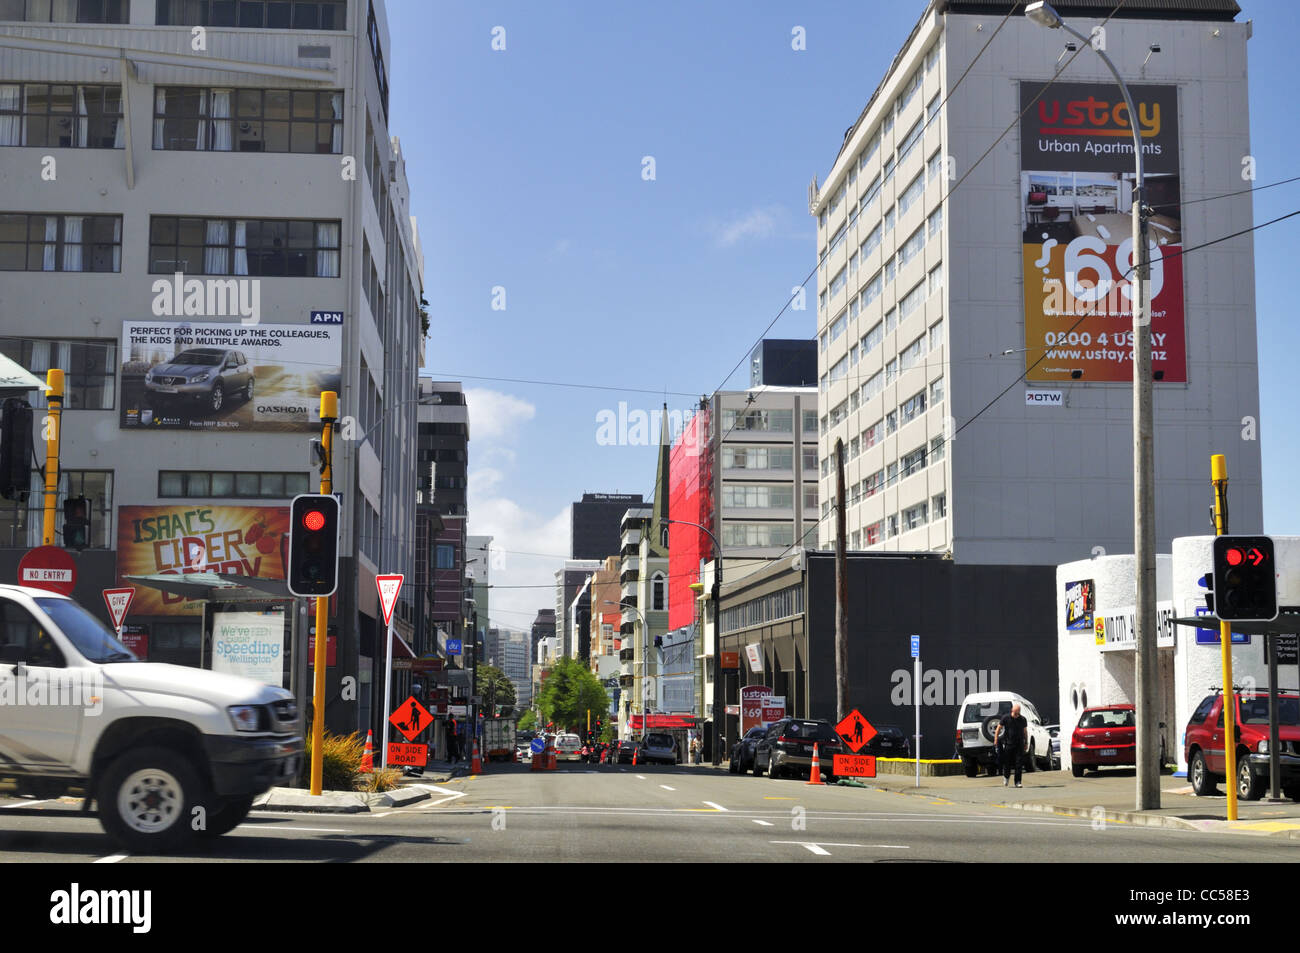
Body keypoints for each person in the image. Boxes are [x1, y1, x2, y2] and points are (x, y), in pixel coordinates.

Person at [993, 703, 1029, 788]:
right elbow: (998, 728)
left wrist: (1026, 742)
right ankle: (1006, 777)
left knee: (1018, 763)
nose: (1017, 715)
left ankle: (1018, 782)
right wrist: (995, 739)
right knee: (1007, 763)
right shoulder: (1006, 718)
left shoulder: (1023, 719)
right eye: (1015, 713)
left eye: (1018, 713)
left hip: (1019, 744)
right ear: (1012, 710)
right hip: (1009, 744)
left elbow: (1025, 732)